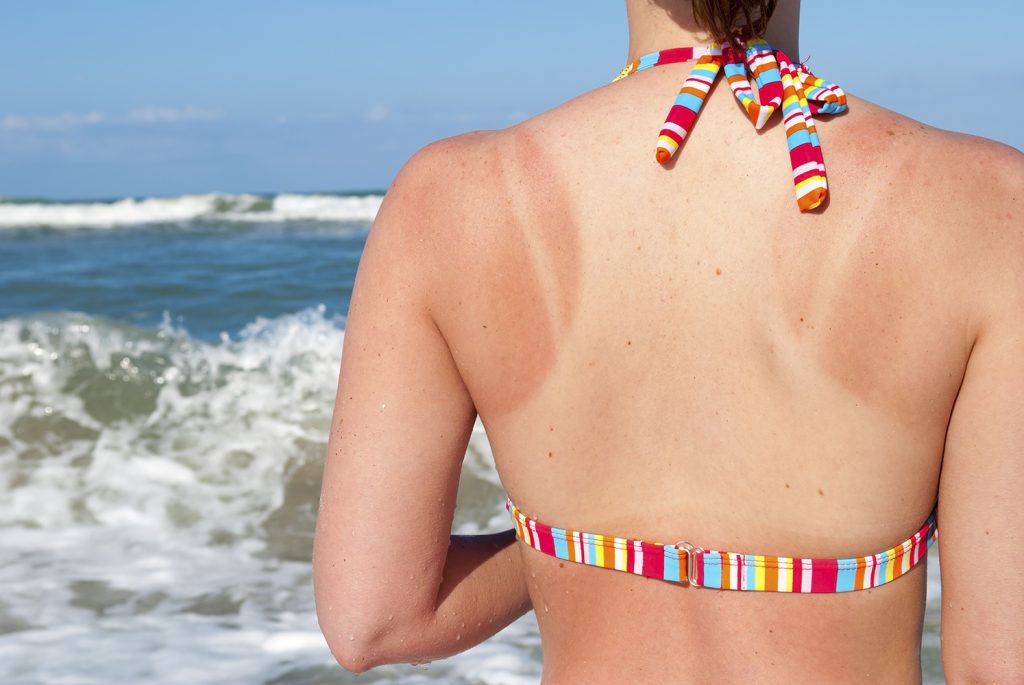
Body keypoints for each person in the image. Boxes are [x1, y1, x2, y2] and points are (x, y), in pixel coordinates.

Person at [313, 0, 1024, 681]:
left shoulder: (446, 201)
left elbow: (375, 617)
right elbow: (999, 665)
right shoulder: (991, 206)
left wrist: (569, 551)